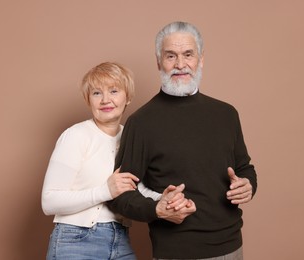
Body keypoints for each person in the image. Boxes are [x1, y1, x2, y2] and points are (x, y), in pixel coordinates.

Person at [108, 22, 258, 260]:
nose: (180, 64)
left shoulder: (227, 114)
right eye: (171, 56)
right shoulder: (142, 122)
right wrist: (156, 209)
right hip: (176, 252)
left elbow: (245, 168)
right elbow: (121, 196)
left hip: (231, 247)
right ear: (159, 62)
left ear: (201, 59)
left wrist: (248, 185)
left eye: (188, 54)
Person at [41, 62, 186, 260]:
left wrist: (164, 199)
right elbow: (49, 201)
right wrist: (104, 191)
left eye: (114, 91)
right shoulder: (76, 135)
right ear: (88, 100)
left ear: (128, 97)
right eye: (96, 93)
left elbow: (134, 187)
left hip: (120, 238)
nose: (105, 100)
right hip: (75, 240)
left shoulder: (131, 136)